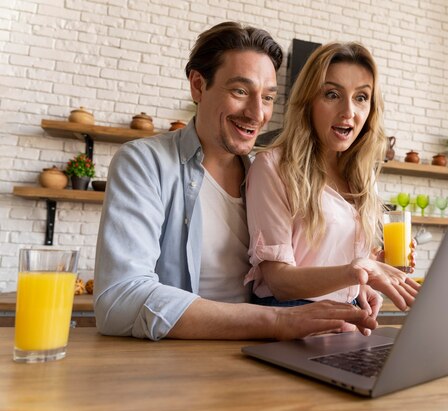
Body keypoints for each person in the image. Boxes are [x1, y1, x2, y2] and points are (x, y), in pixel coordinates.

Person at [94, 22, 376, 341]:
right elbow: (119, 300)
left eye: (268, 98)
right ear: (198, 86)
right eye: (240, 91)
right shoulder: (145, 163)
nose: (257, 113)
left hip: (256, 356)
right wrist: (274, 321)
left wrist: (352, 289)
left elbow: (290, 272)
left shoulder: (266, 174)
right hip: (177, 361)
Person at [244, 42, 420, 327]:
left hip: (347, 317)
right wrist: (356, 271)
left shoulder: (363, 178)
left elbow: (331, 257)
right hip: (289, 319)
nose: (348, 111)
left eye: (361, 97)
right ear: (309, 101)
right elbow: (278, 281)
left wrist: (372, 270)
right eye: (332, 94)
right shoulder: (273, 167)